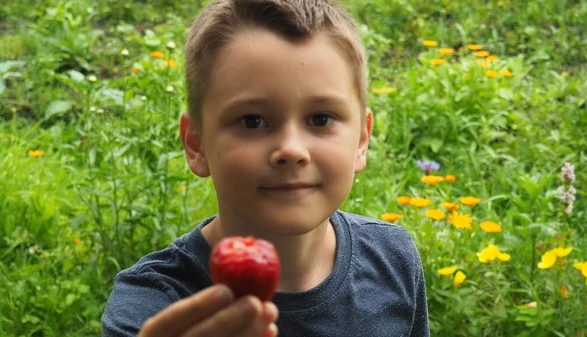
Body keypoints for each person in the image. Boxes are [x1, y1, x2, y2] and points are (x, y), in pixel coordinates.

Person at [101, 0, 429, 336]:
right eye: (252, 121)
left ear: (361, 139)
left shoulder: (393, 258)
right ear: (196, 144)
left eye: (320, 119)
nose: (291, 149)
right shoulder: (152, 307)